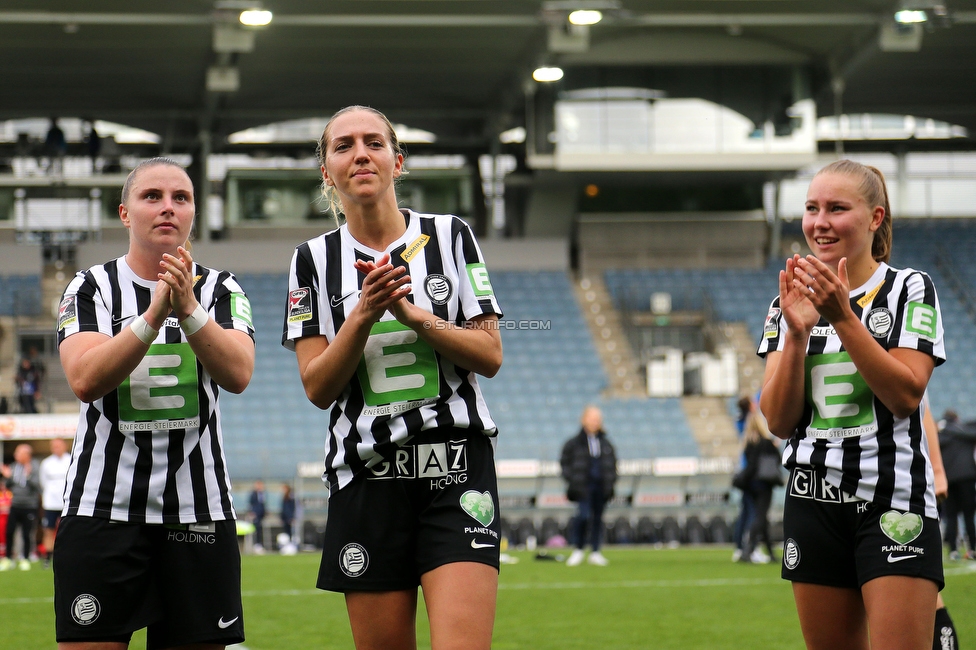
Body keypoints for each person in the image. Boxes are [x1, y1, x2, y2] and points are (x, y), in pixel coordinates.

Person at [282, 105, 503, 650]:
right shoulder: (310, 260)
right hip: (367, 476)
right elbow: (317, 387)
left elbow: (490, 353)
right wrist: (362, 314)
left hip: (455, 470)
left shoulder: (452, 236)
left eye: (374, 142)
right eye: (344, 145)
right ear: (327, 171)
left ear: (397, 161)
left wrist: (413, 316)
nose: (360, 153)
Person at [55, 157, 255, 649]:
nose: (168, 208)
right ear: (125, 213)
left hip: (198, 510)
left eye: (180, 198)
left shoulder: (221, 289)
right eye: (152, 197)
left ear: (192, 215)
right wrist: (151, 315)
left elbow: (238, 374)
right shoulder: (89, 287)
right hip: (102, 509)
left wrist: (186, 306)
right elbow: (84, 379)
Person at [759, 159, 946, 650]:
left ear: (875, 218)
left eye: (837, 208)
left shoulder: (909, 288)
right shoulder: (786, 303)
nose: (820, 222)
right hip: (812, 501)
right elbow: (778, 421)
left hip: (892, 503)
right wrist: (796, 336)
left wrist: (842, 316)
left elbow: (906, 396)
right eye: (811, 208)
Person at [560, 405, 618, 567]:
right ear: (584, 420)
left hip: (600, 487)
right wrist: (572, 480)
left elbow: (612, 465)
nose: (595, 422)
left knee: (598, 519)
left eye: (598, 419)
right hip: (583, 487)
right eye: (592, 419)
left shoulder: (606, 443)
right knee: (583, 516)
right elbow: (565, 463)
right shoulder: (574, 443)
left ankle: (595, 551)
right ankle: (578, 549)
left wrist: (610, 482)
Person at [739, 407, 781, 564]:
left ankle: (770, 553)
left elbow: (749, 465)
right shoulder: (767, 443)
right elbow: (778, 460)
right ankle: (747, 549)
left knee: (761, 518)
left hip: (751, 485)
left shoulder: (748, 443)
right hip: (764, 484)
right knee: (761, 517)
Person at [937, 409, 976, 560]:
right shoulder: (964, 432)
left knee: (951, 516)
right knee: (968, 515)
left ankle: (953, 550)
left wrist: (946, 428)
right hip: (966, 478)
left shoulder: (941, 434)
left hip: (948, 480)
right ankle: (972, 548)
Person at [0, 443, 41, 570]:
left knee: (26, 533)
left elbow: (37, 487)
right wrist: (7, 477)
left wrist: (28, 476)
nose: (15, 455)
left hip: (29, 505)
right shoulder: (13, 467)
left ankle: (26, 558)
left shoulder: (34, 466)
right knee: (9, 531)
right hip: (15, 504)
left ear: (26, 455)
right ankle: (8, 558)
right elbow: (8, 485)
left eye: (18, 453)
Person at [731, 395, 757, 562]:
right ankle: (750, 547)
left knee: (745, 511)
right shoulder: (751, 423)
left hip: (743, 470)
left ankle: (740, 547)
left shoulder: (739, 421)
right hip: (751, 472)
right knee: (753, 512)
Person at [39, 437, 71, 567]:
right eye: (53, 446)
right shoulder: (46, 463)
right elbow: (43, 482)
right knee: (49, 529)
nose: (56, 448)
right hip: (51, 502)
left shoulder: (71, 460)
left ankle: (68, 555)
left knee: (68, 529)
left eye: (58, 445)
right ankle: (47, 556)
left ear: (64, 446)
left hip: (67, 502)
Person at [248, 480, 267, 553]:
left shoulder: (263, 494)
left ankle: (260, 545)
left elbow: (263, 504)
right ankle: (256, 545)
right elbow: (251, 504)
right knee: (256, 530)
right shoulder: (253, 494)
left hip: (261, 515)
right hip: (255, 515)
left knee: (260, 530)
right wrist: (252, 512)